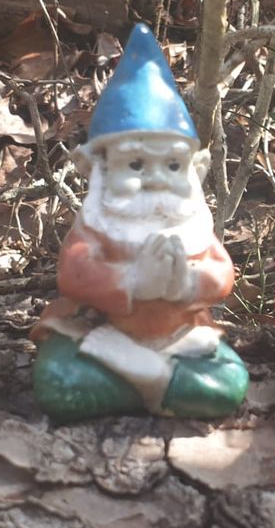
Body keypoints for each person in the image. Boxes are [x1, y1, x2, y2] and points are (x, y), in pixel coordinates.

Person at [31, 24, 248, 421]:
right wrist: (133, 282)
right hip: (102, 331)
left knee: (229, 382)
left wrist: (186, 282)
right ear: (95, 169)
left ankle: (140, 376)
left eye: (172, 165)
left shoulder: (193, 226)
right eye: (134, 164)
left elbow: (221, 275)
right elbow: (74, 275)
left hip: (181, 336)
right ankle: (165, 386)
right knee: (57, 379)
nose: (155, 179)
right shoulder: (97, 226)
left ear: (197, 170)